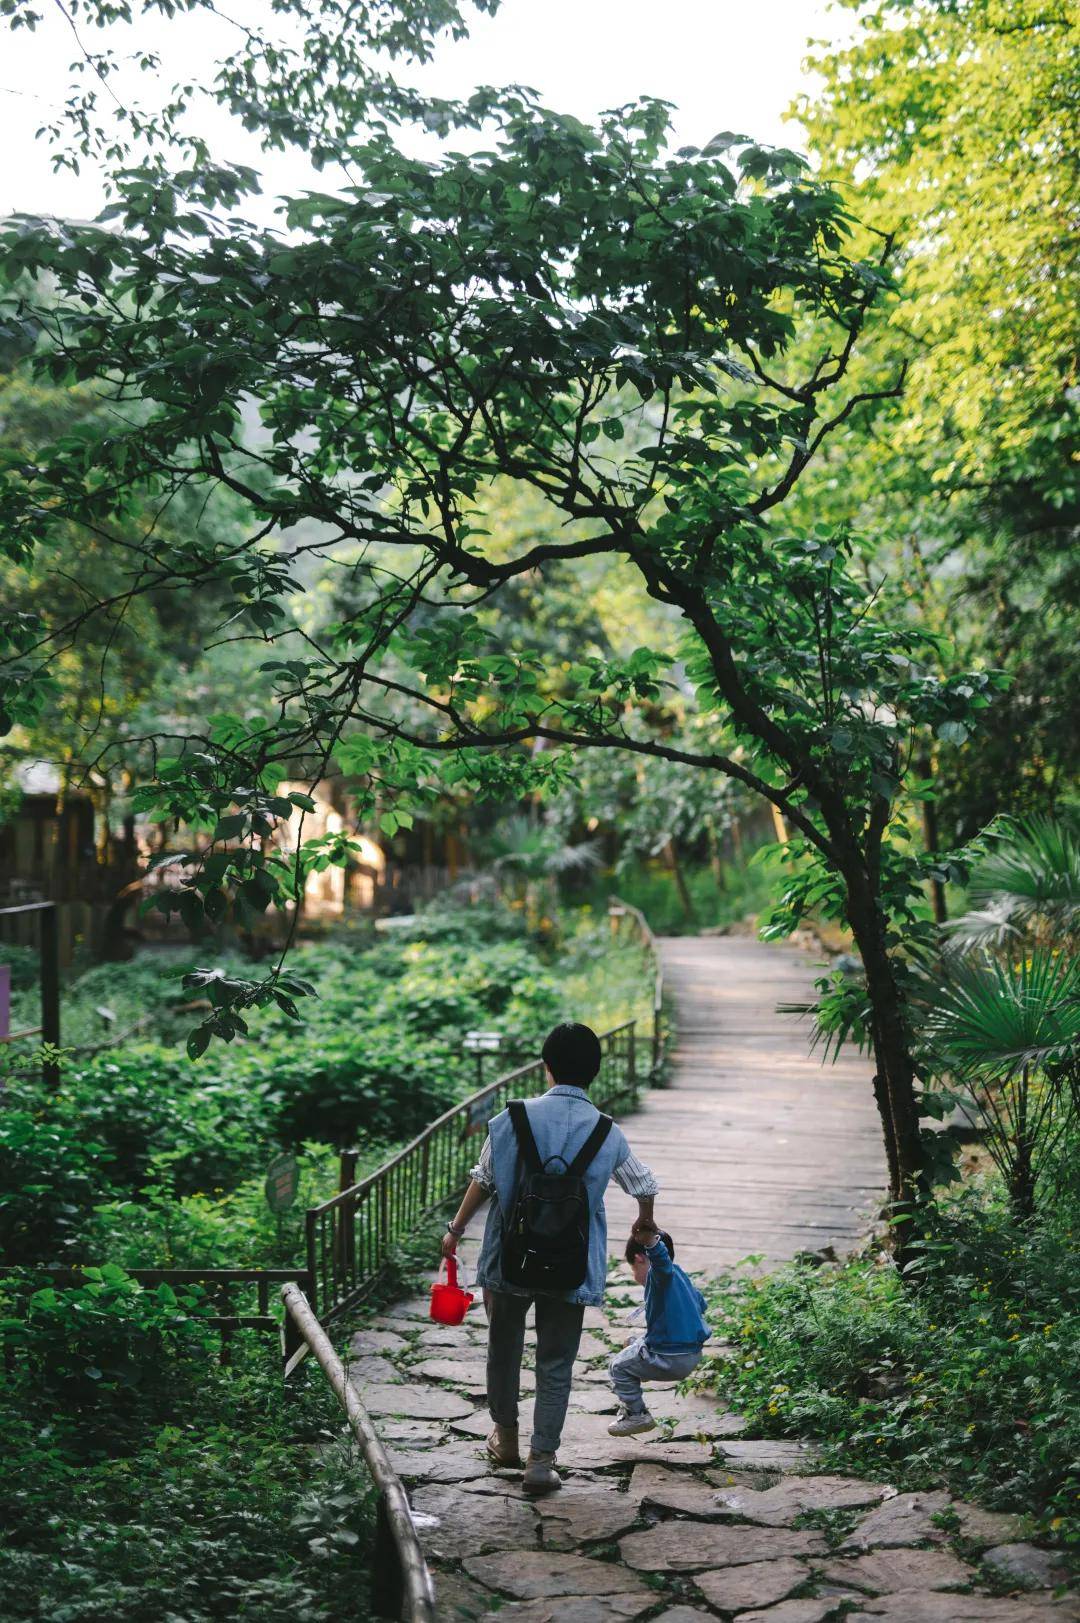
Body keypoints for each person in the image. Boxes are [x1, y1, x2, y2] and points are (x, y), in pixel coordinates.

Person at [441, 1021, 659, 1495]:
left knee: (504, 1350)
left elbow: (486, 1178)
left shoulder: (510, 1119)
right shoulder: (606, 1131)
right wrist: (644, 1222)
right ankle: (541, 1461)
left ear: (547, 1067)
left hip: (508, 1258)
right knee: (557, 1360)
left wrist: (455, 1231)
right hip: (571, 1262)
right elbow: (643, 1183)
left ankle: (505, 1439)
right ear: (594, 1073)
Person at [607, 1222, 710, 1435]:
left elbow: (660, 1263)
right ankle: (640, 1370)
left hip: (669, 1357)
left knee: (617, 1367)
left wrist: (650, 1242)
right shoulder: (680, 1276)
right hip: (692, 1354)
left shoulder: (658, 1275)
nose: (635, 1276)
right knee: (633, 1342)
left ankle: (637, 1415)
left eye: (633, 1269)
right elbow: (701, 1304)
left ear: (639, 1259)